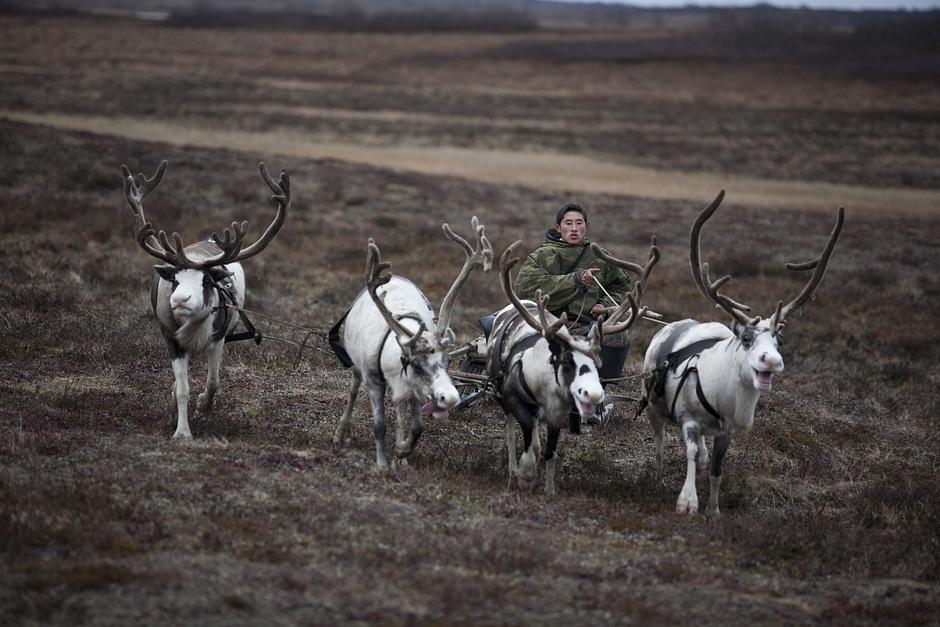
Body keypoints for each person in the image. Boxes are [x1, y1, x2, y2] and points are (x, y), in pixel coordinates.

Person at [514, 203, 632, 428]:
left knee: (620, 333)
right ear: (558, 227)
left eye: (579, 223)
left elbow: (623, 288)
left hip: (590, 327)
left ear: (587, 227)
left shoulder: (600, 257)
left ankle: (596, 396)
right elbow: (525, 289)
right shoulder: (542, 256)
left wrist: (605, 305)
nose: (574, 228)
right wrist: (574, 281)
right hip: (551, 324)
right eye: (568, 223)